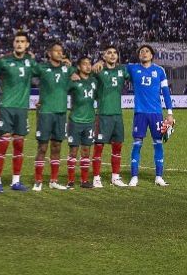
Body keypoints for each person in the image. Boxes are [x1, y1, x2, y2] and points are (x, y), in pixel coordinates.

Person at [0, 32, 35, 193]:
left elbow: (46, 73)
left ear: (27, 44)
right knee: (3, 143)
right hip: (6, 107)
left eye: (23, 41)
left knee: (19, 144)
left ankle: (16, 181)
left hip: (22, 108)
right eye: (17, 41)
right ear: (13, 43)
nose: (19, 44)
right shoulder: (3, 61)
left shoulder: (31, 62)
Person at [126, 44, 175, 187]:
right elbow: (116, 68)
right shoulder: (133, 68)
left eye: (147, 51)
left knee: (158, 144)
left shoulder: (159, 71)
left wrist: (170, 114)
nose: (144, 53)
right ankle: (134, 176)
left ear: (152, 55)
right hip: (140, 113)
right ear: (139, 55)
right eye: (141, 51)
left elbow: (166, 93)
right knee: (137, 145)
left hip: (156, 114)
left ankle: (159, 177)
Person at [31, 42, 75, 191]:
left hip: (61, 112)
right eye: (56, 51)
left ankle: (53, 180)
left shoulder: (67, 69)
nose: (59, 53)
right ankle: (38, 180)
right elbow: (28, 71)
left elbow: (80, 75)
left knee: (57, 146)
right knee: (42, 147)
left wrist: (70, 66)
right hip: (45, 112)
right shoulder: (42, 68)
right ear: (49, 53)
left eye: (61, 51)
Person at [91, 46, 130, 188]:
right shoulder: (99, 70)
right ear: (104, 56)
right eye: (109, 53)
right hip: (103, 115)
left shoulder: (122, 70)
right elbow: (85, 73)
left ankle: (115, 177)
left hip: (117, 115)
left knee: (117, 146)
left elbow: (135, 73)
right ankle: (96, 177)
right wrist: (95, 64)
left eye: (115, 53)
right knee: (99, 147)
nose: (112, 55)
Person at [66, 56, 99, 188]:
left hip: (89, 121)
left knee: (86, 151)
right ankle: (70, 180)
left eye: (89, 64)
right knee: (73, 151)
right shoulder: (74, 81)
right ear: (79, 67)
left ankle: (84, 181)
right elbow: (62, 88)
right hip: (75, 120)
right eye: (84, 64)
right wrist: (70, 73)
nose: (88, 66)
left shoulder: (94, 81)